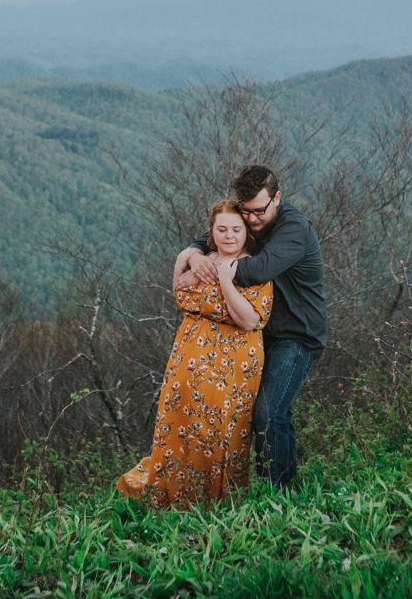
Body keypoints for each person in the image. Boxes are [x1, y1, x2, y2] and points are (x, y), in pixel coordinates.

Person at [116, 200, 274, 507]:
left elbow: (250, 319)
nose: (229, 236)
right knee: (182, 424)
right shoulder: (200, 260)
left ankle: (216, 500)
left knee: (222, 427)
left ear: (246, 232)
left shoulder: (256, 266)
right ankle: (176, 493)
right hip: (189, 352)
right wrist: (194, 262)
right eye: (222, 229)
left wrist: (225, 284)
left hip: (235, 358)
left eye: (236, 229)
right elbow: (180, 291)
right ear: (211, 232)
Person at [182, 165, 325, 490]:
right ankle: (271, 488)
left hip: (297, 335)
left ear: (277, 198)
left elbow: (259, 269)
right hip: (256, 335)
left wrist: (215, 265)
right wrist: (192, 254)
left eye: (259, 211)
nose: (251, 219)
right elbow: (212, 236)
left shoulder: (294, 228)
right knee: (242, 412)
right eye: (245, 211)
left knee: (270, 411)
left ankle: (281, 494)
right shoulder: (249, 217)